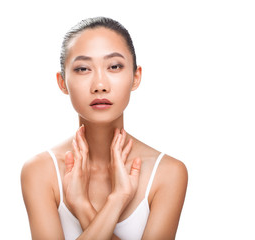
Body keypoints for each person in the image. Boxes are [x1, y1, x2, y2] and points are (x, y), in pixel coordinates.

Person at [21, 17, 188, 240]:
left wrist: (86, 205)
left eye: (114, 66)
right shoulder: (40, 171)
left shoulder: (168, 173)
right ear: (62, 82)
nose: (100, 85)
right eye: (82, 69)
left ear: (135, 77)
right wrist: (115, 200)